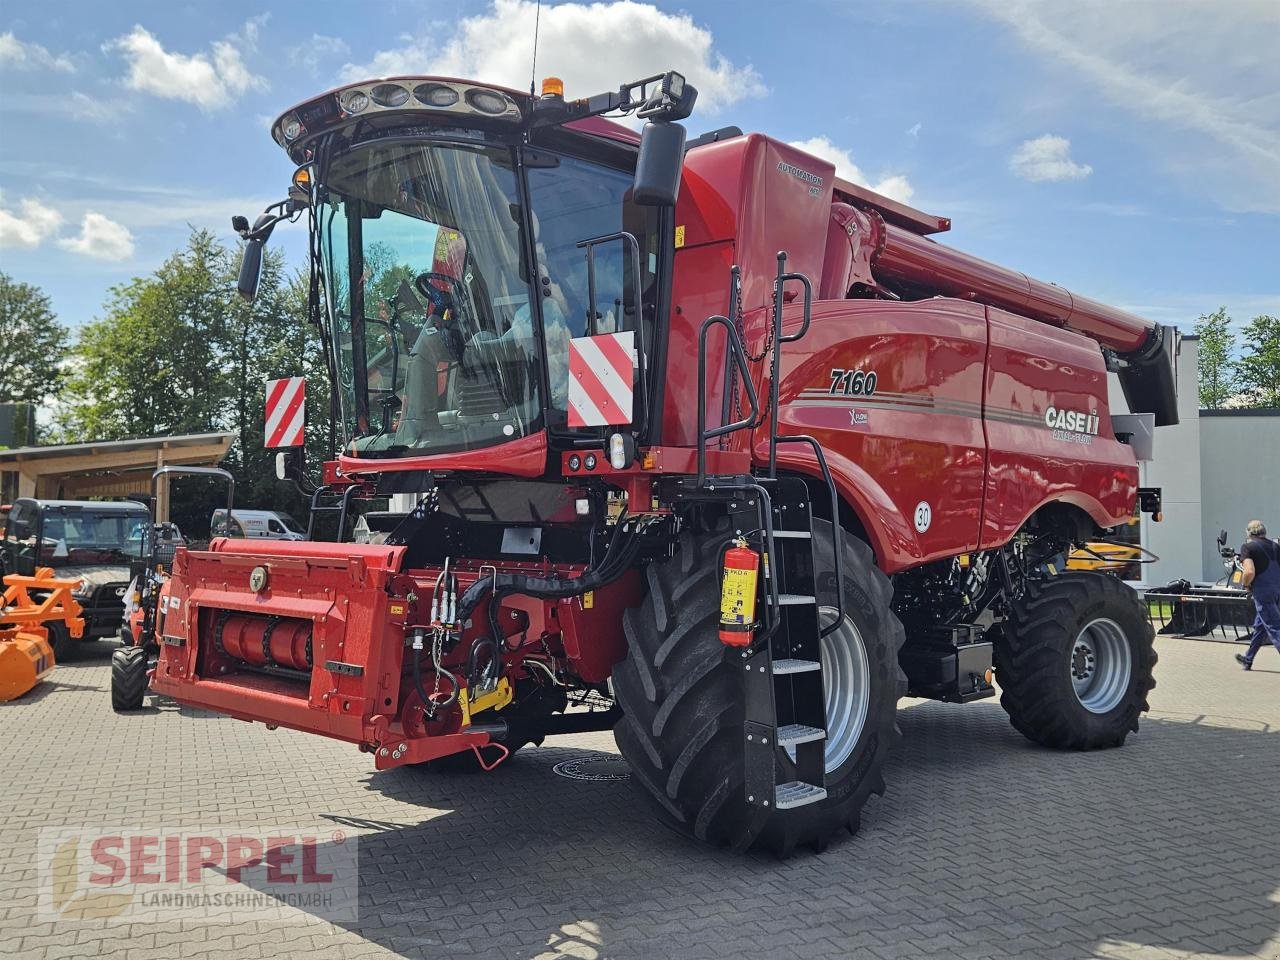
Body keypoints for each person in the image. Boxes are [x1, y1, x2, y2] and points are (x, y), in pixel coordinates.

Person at [1234, 519, 1280, 671]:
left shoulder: (1248, 547)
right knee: (1260, 626)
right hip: (1278, 590)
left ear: (1249, 533)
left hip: (1263, 591)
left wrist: (1246, 584)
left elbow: (1249, 571)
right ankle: (1248, 659)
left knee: (1274, 627)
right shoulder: (1276, 546)